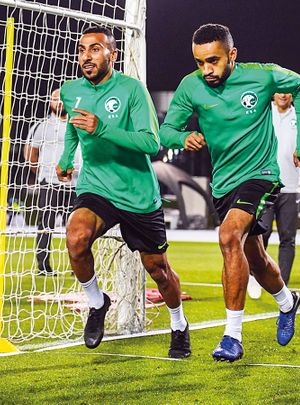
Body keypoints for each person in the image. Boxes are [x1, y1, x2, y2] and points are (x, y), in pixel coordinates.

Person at [159, 23, 300, 362]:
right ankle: (288, 302)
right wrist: (180, 138)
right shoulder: (191, 87)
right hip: (224, 183)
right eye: (199, 62)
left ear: (232, 54)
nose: (206, 70)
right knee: (254, 257)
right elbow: (167, 129)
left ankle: (232, 336)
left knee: (229, 236)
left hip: (261, 175)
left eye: (213, 61)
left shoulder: (262, 76)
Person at [55, 26, 191, 358]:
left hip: (136, 194)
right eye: (82, 49)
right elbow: (75, 128)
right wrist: (64, 160)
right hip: (96, 186)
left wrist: (103, 129)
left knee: (157, 269)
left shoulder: (132, 90)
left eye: (95, 49)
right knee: (75, 238)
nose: (87, 56)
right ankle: (97, 303)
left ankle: (178, 325)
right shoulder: (71, 91)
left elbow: (151, 143)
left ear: (112, 54)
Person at [258, 93, 300, 288]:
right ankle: (256, 275)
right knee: (262, 234)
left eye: (287, 91)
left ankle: (281, 285)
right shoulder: (264, 113)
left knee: (288, 239)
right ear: (273, 94)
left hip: (291, 188)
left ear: (292, 95)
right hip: (266, 185)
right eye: (279, 91)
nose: (283, 95)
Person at [24, 89, 81, 276]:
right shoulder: (42, 126)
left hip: (76, 184)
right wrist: (42, 172)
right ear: (49, 102)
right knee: (45, 225)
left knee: (76, 228)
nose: (59, 103)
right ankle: (43, 266)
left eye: (62, 99)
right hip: (49, 182)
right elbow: (30, 154)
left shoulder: (78, 124)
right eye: (55, 99)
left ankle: (78, 266)